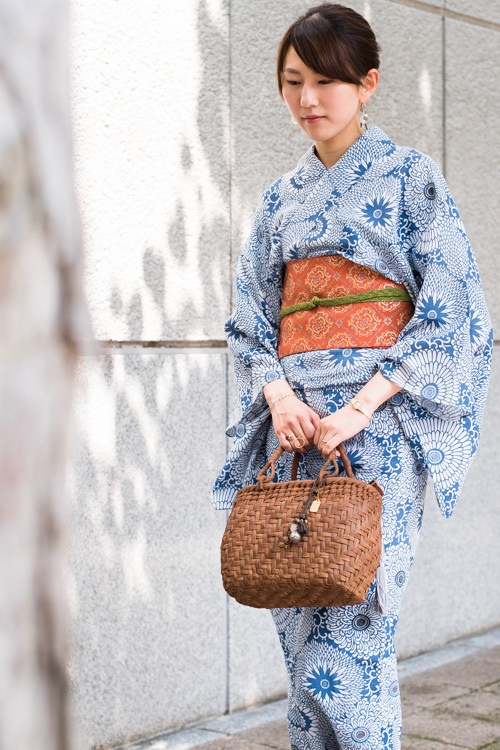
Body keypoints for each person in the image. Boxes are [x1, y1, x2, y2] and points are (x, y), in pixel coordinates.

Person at [212, 4, 493, 748]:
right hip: (296, 430)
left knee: (355, 637)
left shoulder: (411, 180)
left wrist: (363, 405)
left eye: (327, 81)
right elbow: (250, 318)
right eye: (293, 81)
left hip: (379, 433)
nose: (308, 99)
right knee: (301, 643)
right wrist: (277, 395)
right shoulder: (278, 201)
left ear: (367, 83)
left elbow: (452, 305)